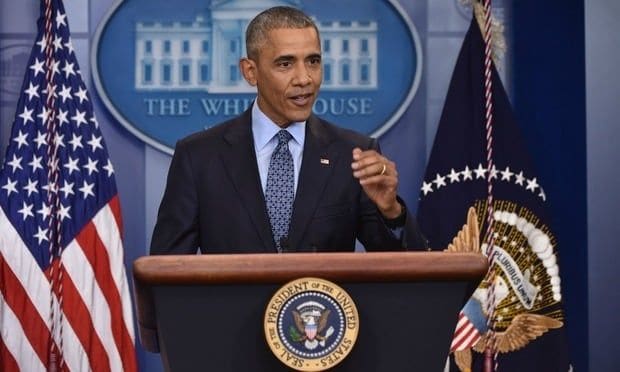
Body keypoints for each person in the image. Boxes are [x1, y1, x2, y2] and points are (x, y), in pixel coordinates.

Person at [150, 6, 427, 255]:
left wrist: (390, 211)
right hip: (232, 313)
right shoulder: (198, 157)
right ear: (250, 72)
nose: (305, 78)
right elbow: (166, 273)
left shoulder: (353, 154)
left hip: (320, 313)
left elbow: (403, 270)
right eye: (285, 63)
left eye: (313, 61)